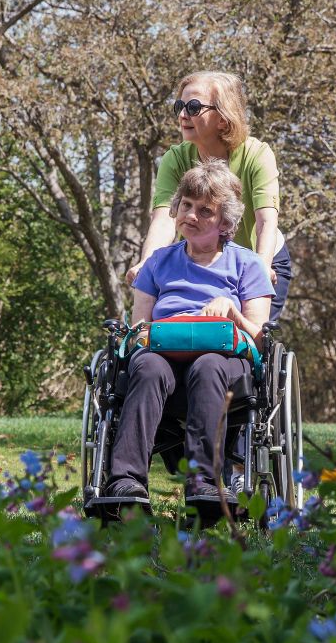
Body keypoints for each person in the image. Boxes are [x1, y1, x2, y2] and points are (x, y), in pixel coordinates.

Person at [106, 159, 273, 508]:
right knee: (147, 366)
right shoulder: (157, 263)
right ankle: (125, 483)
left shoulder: (248, 265)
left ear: (225, 222)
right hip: (163, 360)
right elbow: (139, 332)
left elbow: (259, 342)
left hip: (224, 366)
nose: (191, 216)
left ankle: (204, 483)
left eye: (204, 210)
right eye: (186, 205)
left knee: (208, 365)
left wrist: (234, 314)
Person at [126, 71, 291, 325]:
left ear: (223, 119)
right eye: (180, 106)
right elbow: (164, 220)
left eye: (193, 107)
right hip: (199, 258)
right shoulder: (175, 159)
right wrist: (147, 263)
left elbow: (266, 222)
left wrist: (261, 266)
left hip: (257, 257)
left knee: (250, 350)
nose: (183, 115)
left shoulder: (257, 155)